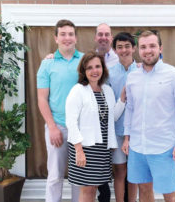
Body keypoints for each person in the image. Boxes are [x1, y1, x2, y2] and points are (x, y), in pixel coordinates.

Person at [122, 30, 175, 202]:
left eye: (152, 46)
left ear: (160, 48)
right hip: (138, 147)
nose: (148, 51)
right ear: (138, 50)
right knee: (144, 191)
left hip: (164, 147)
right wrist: (127, 137)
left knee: (170, 195)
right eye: (143, 47)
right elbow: (130, 108)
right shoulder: (132, 77)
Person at [65, 52, 125, 202]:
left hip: (102, 149)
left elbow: (112, 117)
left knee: (95, 188)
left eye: (97, 66)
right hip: (84, 148)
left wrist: (122, 100)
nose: (94, 71)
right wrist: (78, 150)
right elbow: (71, 122)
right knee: (87, 189)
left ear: (103, 69)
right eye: (89, 68)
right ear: (84, 71)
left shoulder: (107, 90)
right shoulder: (78, 90)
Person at [37, 19, 82, 202]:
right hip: (58, 127)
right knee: (55, 176)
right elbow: (42, 99)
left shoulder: (86, 60)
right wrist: (52, 127)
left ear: (76, 38)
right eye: (62, 34)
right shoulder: (47, 64)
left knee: (79, 178)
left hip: (81, 129)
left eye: (70, 34)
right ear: (56, 38)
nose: (67, 38)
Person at [108, 32, 138, 202]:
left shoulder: (142, 71)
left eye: (127, 46)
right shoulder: (109, 74)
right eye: (120, 47)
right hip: (117, 131)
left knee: (134, 172)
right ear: (115, 50)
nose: (124, 50)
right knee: (119, 171)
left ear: (133, 48)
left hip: (137, 132)